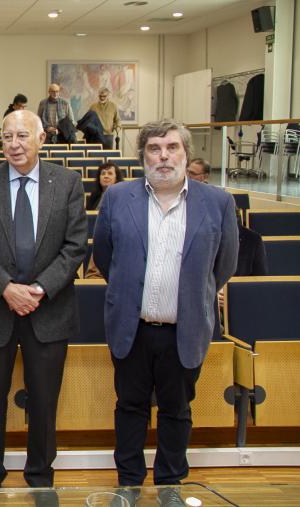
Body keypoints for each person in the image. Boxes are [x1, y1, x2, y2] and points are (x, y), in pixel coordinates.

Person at [92, 119, 238, 503]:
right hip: (133, 326)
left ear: (185, 153)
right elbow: (105, 258)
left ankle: (170, 485)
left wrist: (192, 295)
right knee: (129, 407)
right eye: (154, 149)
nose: (163, 156)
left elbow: (223, 266)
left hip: (184, 328)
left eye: (172, 147)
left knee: (177, 409)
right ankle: (128, 483)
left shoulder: (218, 202)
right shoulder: (118, 198)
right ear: (143, 156)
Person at [0, 110, 87, 489]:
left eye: (22, 136)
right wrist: (6, 288)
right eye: (7, 136)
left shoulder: (67, 183)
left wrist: (39, 289)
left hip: (49, 310)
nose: (14, 144)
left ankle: (41, 475)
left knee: (45, 404)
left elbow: (75, 246)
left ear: (41, 139)